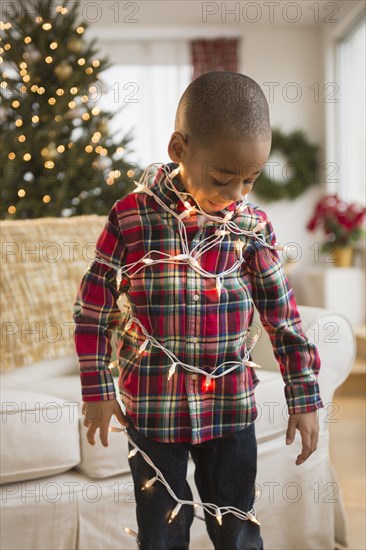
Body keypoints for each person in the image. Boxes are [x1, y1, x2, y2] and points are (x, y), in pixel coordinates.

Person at [73, 71, 324, 550]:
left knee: (236, 529)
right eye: (223, 177)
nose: (235, 194)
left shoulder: (251, 226)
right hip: (152, 410)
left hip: (231, 409)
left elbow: (283, 316)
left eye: (250, 179)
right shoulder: (131, 216)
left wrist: (305, 396)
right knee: (162, 533)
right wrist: (96, 389)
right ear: (178, 148)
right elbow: (92, 308)